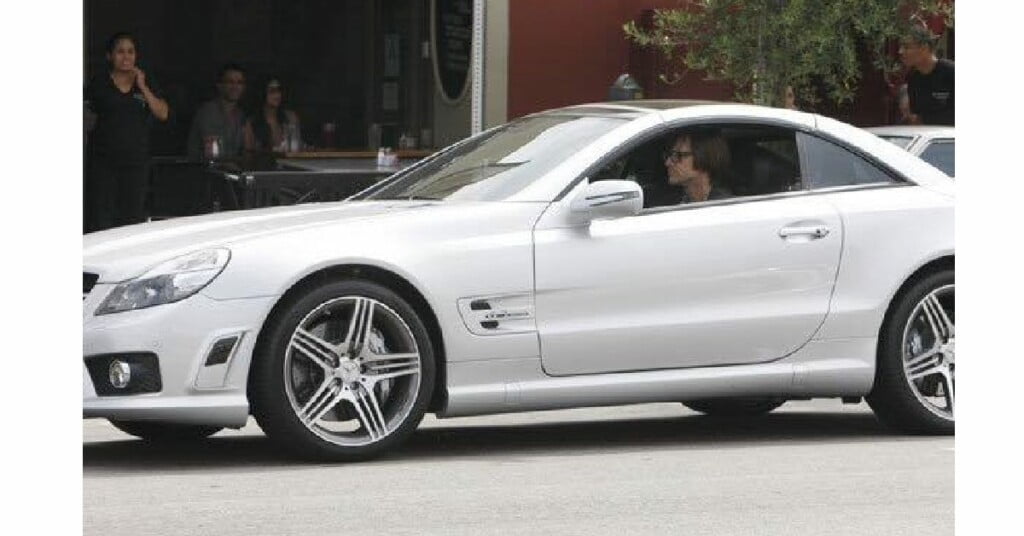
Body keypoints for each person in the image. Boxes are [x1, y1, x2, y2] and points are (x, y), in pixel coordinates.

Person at [85, 32, 169, 232]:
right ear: (109, 56)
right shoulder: (99, 83)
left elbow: (163, 113)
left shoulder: (145, 82)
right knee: (102, 217)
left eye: (130, 52)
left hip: (135, 164)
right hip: (103, 164)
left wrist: (143, 87)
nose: (126, 57)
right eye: (120, 52)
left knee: (131, 219)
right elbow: (86, 117)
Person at [186, 63, 247, 160]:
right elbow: (212, 154)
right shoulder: (208, 112)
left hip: (231, 171)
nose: (235, 87)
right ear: (219, 85)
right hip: (205, 170)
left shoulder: (241, 115)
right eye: (230, 82)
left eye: (239, 82)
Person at [899, 23, 954, 125]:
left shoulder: (951, 72)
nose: (901, 51)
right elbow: (915, 117)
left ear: (924, 48)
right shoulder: (913, 78)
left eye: (907, 47)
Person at [663, 129, 732, 204]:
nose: (667, 163)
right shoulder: (679, 201)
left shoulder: (723, 206)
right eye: (671, 155)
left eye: (677, 155)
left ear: (703, 157)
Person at [244, 77, 301, 153]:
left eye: (279, 90)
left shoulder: (290, 117)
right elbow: (248, 152)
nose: (277, 95)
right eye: (272, 91)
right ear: (262, 93)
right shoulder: (251, 122)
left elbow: (297, 146)